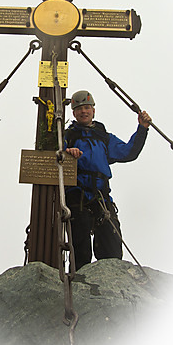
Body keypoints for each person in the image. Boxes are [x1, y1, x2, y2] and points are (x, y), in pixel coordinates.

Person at [64, 90, 151, 271]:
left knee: (111, 244)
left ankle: (111, 283)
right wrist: (68, 154)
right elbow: (55, 157)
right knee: (80, 249)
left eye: (87, 108)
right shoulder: (68, 136)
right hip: (77, 195)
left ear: (93, 110)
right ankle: (79, 284)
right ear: (73, 113)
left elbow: (128, 152)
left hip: (101, 196)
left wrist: (142, 129)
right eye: (79, 109)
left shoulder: (103, 137)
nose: (84, 112)